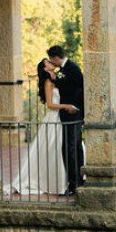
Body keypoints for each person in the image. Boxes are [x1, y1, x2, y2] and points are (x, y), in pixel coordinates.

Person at [8, 57, 67, 197]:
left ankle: (66, 180)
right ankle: (55, 183)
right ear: (45, 68)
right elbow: (50, 105)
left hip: (62, 118)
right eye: (47, 62)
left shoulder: (57, 78)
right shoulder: (48, 82)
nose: (51, 62)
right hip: (54, 118)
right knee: (55, 148)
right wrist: (66, 106)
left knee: (60, 148)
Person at [48, 44, 84, 196]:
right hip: (66, 114)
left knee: (71, 147)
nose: (51, 61)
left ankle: (75, 182)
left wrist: (74, 106)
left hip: (73, 114)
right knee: (73, 146)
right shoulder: (62, 70)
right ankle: (76, 180)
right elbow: (65, 86)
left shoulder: (72, 67)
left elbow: (81, 87)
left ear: (56, 57)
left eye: (51, 59)